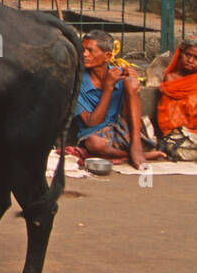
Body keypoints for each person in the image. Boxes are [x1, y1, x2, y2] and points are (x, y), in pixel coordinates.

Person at [75, 29, 165, 170]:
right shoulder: (77, 82)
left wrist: (133, 82)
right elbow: (91, 122)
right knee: (94, 143)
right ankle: (133, 155)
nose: (84, 54)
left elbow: (130, 110)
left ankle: (136, 147)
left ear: (107, 56)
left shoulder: (119, 73)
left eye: (90, 51)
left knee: (131, 82)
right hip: (96, 133)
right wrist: (108, 88)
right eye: (82, 50)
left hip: (125, 129)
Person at [157, 37, 197, 135]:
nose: (190, 60)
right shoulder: (172, 79)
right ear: (180, 55)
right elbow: (167, 117)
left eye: (196, 58)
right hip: (179, 132)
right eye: (187, 55)